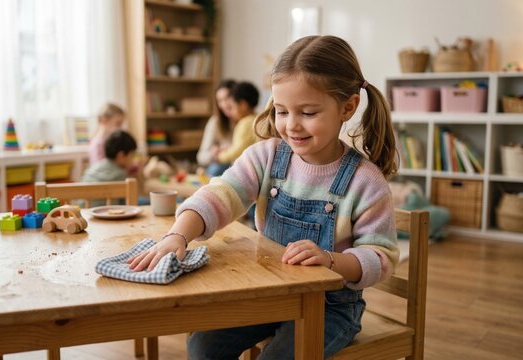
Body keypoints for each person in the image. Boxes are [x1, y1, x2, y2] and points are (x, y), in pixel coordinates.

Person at [128, 35, 399, 359]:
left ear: (348, 107)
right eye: (282, 111)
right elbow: (221, 194)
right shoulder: (266, 156)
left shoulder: (366, 180)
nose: (291, 125)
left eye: (308, 112)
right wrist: (178, 235)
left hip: (331, 308)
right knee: (202, 344)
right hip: (268, 294)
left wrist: (331, 261)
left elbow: (380, 257)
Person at [207, 81, 260, 177]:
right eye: (220, 101)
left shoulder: (244, 123)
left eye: (232, 107)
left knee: (215, 170)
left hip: (245, 168)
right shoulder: (258, 119)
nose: (225, 106)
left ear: (243, 105)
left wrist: (220, 157)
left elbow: (238, 149)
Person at [196, 79, 236, 177]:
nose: (224, 104)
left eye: (228, 98)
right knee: (216, 169)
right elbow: (200, 157)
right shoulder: (215, 122)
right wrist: (213, 154)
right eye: (220, 101)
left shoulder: (248, 121)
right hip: (223, 167)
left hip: (241, 166)